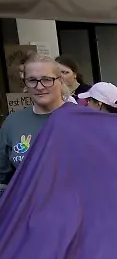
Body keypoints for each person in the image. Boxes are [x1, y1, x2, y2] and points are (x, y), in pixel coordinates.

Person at [0, 55, 68, 193]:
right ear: (25, 83)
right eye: (32, 80)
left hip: (75, 211)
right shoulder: (13, 123)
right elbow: (3, 178)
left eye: (46, 80)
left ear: (60, 80)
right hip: (29, 211)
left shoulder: (82, 120)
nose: (39, 87)